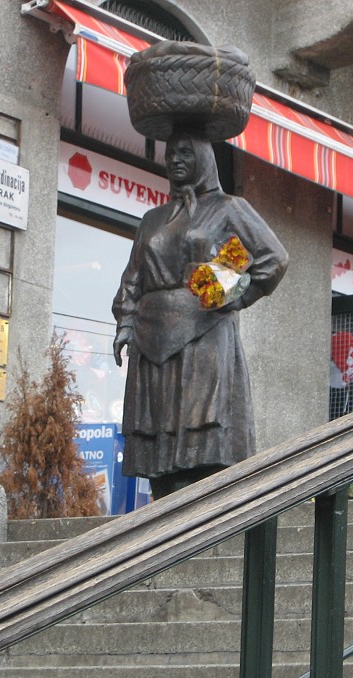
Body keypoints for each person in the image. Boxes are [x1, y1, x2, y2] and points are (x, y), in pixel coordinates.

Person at [112, 131, 288, 499]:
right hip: (151, 340)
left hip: (202, 337)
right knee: (157, 441)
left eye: (185, 153)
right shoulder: (152, 218)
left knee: (201, 437)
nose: (175, 160)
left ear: (204, 159)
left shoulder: (228, 208)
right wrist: (125, 323)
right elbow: (133, 277)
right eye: (170, 153)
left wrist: (233, 295)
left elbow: (273, 259)